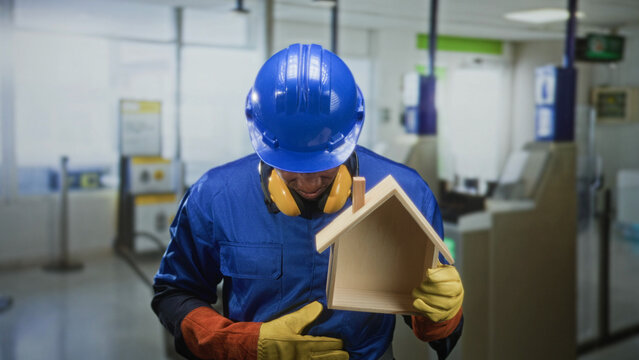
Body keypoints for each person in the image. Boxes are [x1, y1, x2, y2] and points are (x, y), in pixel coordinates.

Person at [152, 43, 463, 360]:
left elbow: (428, 321)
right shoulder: (214, 196)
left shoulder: (405, 191)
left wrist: (442, 316)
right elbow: (174, 293)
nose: (309, 182)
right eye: (291, 166)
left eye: (323, 164)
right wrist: (239, 344)